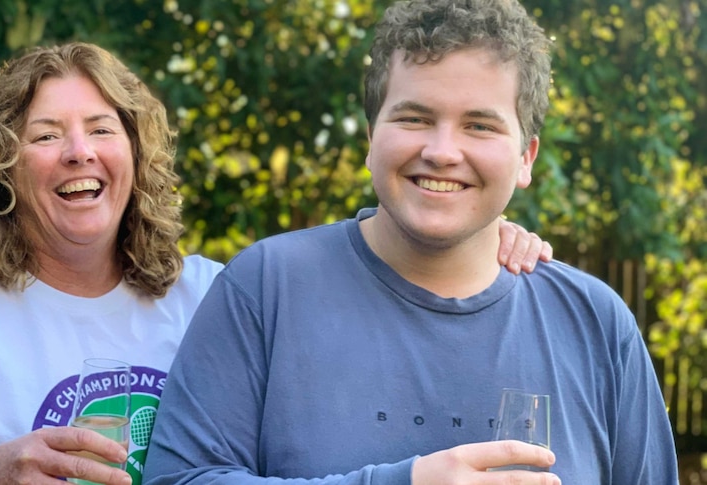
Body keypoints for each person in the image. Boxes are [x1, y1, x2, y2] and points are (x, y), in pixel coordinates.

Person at [0, 41, 550, 485]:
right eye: (45, 135)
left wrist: (476, 232)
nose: (79, 151)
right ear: (4, 167)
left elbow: (360, 264)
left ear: (135, 157)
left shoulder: (213, 293)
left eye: (101, 129)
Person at [142, 0, 679, 484]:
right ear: (372, 139)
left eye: (479, 126)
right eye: (415, 118)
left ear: (526, 158)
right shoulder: (266, 287)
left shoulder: (596, 325)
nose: (443, 151)